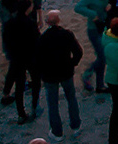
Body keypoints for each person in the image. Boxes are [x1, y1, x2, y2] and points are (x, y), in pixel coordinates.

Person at [36, 9, 84, 137]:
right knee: (71, 98)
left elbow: (38, 59)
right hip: (66, 72)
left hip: (50, 75)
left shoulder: (43, 38)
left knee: (52, 104)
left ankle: (57, 132)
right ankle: (76, 125)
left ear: (47, 22)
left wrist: (41, 73)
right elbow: (78, 52)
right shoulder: (66, 34)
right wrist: (72, 63)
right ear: (59, 21)